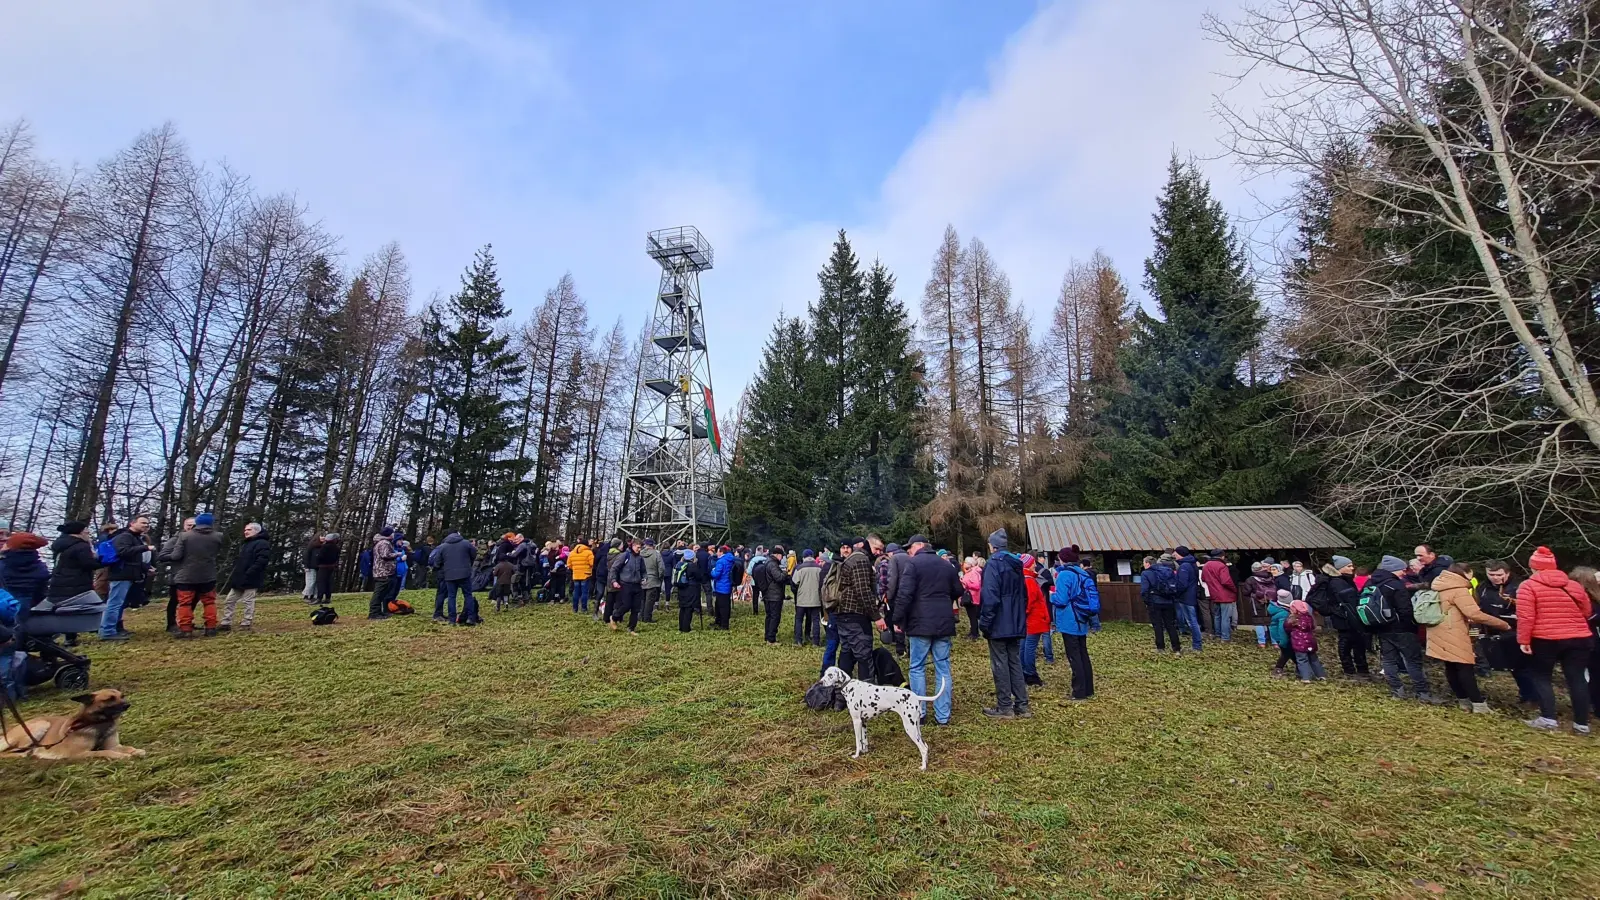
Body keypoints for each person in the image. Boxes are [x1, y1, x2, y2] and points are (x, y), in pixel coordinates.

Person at [1516, 546, 1593, 733]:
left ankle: (1548, 718)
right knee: (1577, 679)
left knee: (1542, 677)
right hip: (1579, 637)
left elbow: (1526, 617)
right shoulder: (1573, 585)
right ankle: (1581, 724)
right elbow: (1586, 611)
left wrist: (1523, 640)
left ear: (1533, 567)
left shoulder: (1528, 586)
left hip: (1545, 638)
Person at [893, 535, 961, 726]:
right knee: (943, 668)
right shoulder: (947, 565)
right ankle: (943, 716)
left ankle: (919, 713)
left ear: (920, 545)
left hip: (919, 623)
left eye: (910, 548)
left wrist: (897, 619)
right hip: (943, 622)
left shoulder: (913, 565)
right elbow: (959, 590)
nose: (908, 552)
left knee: (917, 667)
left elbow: (904, 594)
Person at [1427, 562, 1511, 713]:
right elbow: (1474, 614)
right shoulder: (1459, 590)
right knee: (1465, 667)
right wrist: (1503, 624)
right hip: (1455, 632)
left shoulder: (1439, 585)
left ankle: (1463, 701)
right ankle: (1478, 704)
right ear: (1467, 573)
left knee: (1451, 666)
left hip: (1439, 630)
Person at [1370, 554, 1439, 703]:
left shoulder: (1373, 583)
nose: (1404, 572)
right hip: (1402, 629)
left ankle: (1397, 690)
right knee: (1413, 661)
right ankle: (1423, 693)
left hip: (1382, 627)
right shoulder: (1396, 585)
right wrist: (1412, 626)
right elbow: (1405, 610)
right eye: (1402, 569)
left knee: (1389, 660)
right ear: (1394, 569)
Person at [976, 529, 1029, 719]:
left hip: (999, 623)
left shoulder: (993, 564)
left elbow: (990, 597)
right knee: (1014, 662)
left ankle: (1005, 706)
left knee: (1000, 664)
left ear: (992, 546)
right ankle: (1022, 706)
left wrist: (985, 623)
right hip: (1015, 622)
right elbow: (1024, 594)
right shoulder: (1017, 564)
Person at [1476, 559, 1536, 702]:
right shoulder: (1483, 587)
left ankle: (1531, 696)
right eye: (1491, 574)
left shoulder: (1518, 587)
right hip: (1493, 631)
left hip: (1515, 631)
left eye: (1498, 574)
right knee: (1510, 666)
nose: (1495, 578)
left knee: (1522, 667)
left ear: (1507, 573)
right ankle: (1526, 694)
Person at [1310, 556, 1369, 678]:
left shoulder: (1344, 579)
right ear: (1340, 568)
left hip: (1348, 615)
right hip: (1345, 617)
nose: (1352, 568)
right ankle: (1351, 670)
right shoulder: (1337, 582)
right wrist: (1338, 611)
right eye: (1349, 566)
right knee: (1347, 643)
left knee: (1354, 642)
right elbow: (1344, 600)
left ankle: (1358, 669)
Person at [1051, 547, 1097, 701]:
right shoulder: (1082, 573)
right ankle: (1088, 688)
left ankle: (1079, 691)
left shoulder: (1064, 575)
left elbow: (1062, 599)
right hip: (1082, 617)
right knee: (1083, 654)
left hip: (1070, 619)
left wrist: (1051, 596)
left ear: (1063, 559)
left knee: (1074, 656)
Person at [169, 512, 223, 638]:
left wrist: (167, 557)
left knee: (185, 603)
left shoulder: (185, 536)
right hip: (208, 574)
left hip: (186, 575)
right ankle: (211, 628)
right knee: (209, 602)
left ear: (197, 523)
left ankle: (186, 629)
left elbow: (176, 556)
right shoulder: (218, 536)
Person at [99, 514, 152, 640]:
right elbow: (123, 552)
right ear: (132, 523)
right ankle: (107, 631)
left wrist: (145, 568)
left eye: (147, 523)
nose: (145, 525)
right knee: (114, 603)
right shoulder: (124, 536)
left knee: (120, 603)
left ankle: (115, 628)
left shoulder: (135, 537)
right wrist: (145, 547)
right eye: (142, 523)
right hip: (121, 574)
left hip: (128, 574)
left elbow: (133, 558)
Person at [220, 522, 271, 632]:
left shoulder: (262, 544)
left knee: (248, 601)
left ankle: (246, 622)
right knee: (229, 600)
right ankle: (226, 622)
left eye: (249, 530)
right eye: (245, 530)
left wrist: (250, 572)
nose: (246, 532)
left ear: (256, 531)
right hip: (239, 577)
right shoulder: (246, 544)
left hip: (252, 577)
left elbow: (262, 560)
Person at [432, 531, 478, 625]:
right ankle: (470, 618)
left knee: (451, 596)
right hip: (465, 573)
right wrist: (468, 564)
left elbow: (437, 562)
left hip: (449, 575)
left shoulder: (443, 546)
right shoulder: (466, 543)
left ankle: (452, 620)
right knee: (468, 595)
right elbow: (474, 554)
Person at [159, 517, 196, 633]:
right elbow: (162, 556)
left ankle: (186, 622)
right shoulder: (175, 540)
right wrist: (177, 557)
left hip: (195, 576)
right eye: (189, 525)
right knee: (175, 601)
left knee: (193, 600)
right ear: (184, 526)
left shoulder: (198, 540)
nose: (191, 527)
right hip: (178, 575)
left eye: (194, 525)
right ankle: (171, 624)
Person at [1141, 554, 1183, 654]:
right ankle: (1176, 648)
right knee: (1170, 624)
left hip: (1154, 601)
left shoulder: (1146, 573)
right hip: (1168, 600)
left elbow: (1144, 590)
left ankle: (1160, 647)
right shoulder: (1167, 570)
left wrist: (1146, 601)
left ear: (1147, 563)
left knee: (1158, 625)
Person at [1020, 554, 1052, 687]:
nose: (1035, 565)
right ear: (1028, 565)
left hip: (1029, 619)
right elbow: (1030, 601)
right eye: (1033, 563)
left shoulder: (1023, 578)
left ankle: (1023, 672)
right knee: (1029, 647)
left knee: (1024, 646)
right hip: (1035, 619)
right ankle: (1030, 674)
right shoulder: (1029, 581)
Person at [754, 544, 792, 644]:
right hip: (774, 595)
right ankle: (771, 639)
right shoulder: (773, 564)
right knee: (775, 616)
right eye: (781, 556)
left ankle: (767, 636)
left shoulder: (767, 562)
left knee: (769, 616)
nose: (782, 558)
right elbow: (779, 578)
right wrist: (785, 572)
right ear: (777, 555)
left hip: (768, 594)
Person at [609, 539, 645, 634]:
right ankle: (614, 617)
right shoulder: (624, 556)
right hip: (625, 584)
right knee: (626, 605)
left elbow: (643, 571)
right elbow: (614, 569)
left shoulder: (640, 558)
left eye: (640, 548)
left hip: (637, 585)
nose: (639, 549)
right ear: (633, 546)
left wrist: (645, 578)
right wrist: (614, 581)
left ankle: (631, 628)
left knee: (636, 608)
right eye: (638, 547)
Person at [1200, 550, 1238, 642]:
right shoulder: (1222, 566)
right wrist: (1234, 589)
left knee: (1217, 616)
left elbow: (1203, 578)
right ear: (1222, 557)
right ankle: (1225, 637)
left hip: (1214, 594)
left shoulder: (1206, 565)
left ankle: (1218, 634)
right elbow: (1226, 581)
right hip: (1225, 595)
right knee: (1225, 617)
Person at [1287, 597, 1326, 682]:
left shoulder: (1293, 619)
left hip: (1299, 644)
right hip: (1310, 642)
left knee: (1302, 660)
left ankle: (1306, 677)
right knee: (1314, 659)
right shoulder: (1309, 617)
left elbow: (1287, 627)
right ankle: (1321, 675)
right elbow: (1313, 626)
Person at [1173, 547, 1203, 652]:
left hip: (1186, 597)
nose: (1174, 555)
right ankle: (1197, 644)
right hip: (1191, 595)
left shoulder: (1184, 566)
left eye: (1176, 553)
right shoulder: (1192, 564)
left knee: (1191, 621)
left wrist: (1176, 592)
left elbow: (1182, 584)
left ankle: (1197, 645)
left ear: (1181, 554)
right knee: (1192, 621)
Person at [791, 549, 823, 646]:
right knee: (816, 620)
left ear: (803, 557)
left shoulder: (799, 568)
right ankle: (815, 641)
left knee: (799, 619)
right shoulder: (819, 568)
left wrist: (796, 593)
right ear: (813, 556)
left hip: (801, 599)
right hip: (816, 599)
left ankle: (798, 640)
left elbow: (794, 583)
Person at [367, 527, 398, 621]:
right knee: (379, 593)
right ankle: (374, 613)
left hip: (381, 571)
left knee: (382, 593)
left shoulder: (380, 542)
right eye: (392, 533)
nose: (394, 535)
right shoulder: (384, 543)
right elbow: (385, 555)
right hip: (383, 571)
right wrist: (397, 554)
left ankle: (379, 612)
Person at [676, 542, 705, 633]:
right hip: (691, 589)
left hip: (681, 588)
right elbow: (699, 577)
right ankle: (686, 628)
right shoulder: (692, 566)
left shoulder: (680, 565)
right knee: (689, 608)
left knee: (682, 608)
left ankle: (681, 627)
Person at [1246, 562, 1277, 648]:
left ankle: (1262, 642)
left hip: (1257, 602)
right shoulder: (1271, 577)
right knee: (1271, 622)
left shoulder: (1251, 579)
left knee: (1258, 621)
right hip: (1271, 601)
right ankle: (1275, 642)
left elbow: (1246, 591)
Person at [1268, 589, 1295, 676]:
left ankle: (1300, 666)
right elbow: (1281, 629)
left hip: (1278, 636)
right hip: (1283, 638)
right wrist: (1283, 641)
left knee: (1288, 653)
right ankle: (1278, 668)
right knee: (1287, 653)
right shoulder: (1284, 613)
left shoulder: (1278, 609)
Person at [639, 538, 663, 623]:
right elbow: (661, 568)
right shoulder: (657, 554)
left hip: (642, 580)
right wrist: (659, 578)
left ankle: (640, 616)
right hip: (653, 580)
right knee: (650, 601)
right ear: (653, 545)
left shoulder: (640, 553)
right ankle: (647, 618)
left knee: (642, 600)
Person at [568, 537, 594, 613]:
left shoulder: (572, 552)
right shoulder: (589, 552)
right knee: (584, 592)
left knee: (576, 592)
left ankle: (575, 608)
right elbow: (592, 563)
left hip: (576, 574)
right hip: (585, 574)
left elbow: (569, 564)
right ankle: (583, 608)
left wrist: (575, 569)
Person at [314, 534, 341, 606]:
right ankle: (327, 598)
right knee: (328, 583)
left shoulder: (324, 547)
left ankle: (319, 598)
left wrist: (317, 564)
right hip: (331, 567)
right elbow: (336, 558)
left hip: (323, 567)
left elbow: (320, 557)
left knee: (321, 582)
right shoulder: (336, 548)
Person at [960, 558, 983, 640]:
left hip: (973, 598)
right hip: (971, 597)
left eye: (966, 562)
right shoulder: (970, 572)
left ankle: (974, 633)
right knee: (971, 616)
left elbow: (977, 585)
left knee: (973, 617)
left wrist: (966, 584)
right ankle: (973, 631)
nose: (964, 564)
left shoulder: (974, 573)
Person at [300, 533, 322, 604]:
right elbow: (306, 556)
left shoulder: (322, 547)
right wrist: (306, 566)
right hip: (310, 567)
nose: (323, 538)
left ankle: (313, 595)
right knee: (311, 582)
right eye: (322, 536)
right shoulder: (311, 546)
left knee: (316, 582)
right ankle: (306, 595)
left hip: (318, 567)